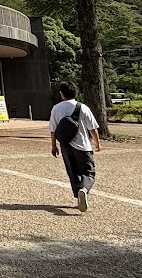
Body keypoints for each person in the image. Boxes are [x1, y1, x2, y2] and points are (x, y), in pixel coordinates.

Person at [49, 82, 101, 212]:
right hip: (83, 146)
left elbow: (53, 129)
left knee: (73, 173)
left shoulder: (56, 108)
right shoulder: (83, 107)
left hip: (66, 146)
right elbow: (92, 128)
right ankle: (84, 190)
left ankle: (79, 197)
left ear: (61, 94)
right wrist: (97, 143)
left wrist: (54, 145)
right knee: (89, 172)